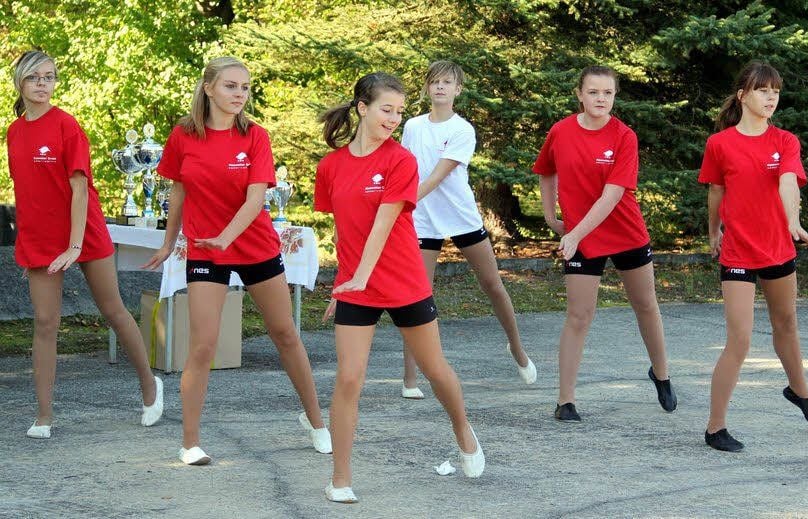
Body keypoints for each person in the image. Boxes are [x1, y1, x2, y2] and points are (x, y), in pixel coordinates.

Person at [142, 56, 330, 465]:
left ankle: (316, 421)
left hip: (254, 246)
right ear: (208, 88)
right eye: (231, 86)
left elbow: (256, 198)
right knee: (202, 344)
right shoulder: (183, 136)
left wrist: (225, 237)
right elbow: (178, 193)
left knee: (284, 334)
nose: (239, 94)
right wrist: (167, 242)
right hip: (206, 251)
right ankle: (190, 442)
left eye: (244, 88)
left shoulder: (255, 136)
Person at [316, 71, 485, 503]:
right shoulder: (331, 166)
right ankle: (340, 479)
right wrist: (345, 282)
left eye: (398, 112)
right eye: (385, 110)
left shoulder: (400, 161)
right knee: (349, 379)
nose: (393, 119)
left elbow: (382, 225)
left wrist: (359, 275)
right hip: (356, 286)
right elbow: (346, 232)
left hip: (403, 280)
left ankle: (463, 430)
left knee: (435, 370)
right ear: (361, 108)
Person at [7, 50, 162, 439]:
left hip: (84, 232)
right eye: (36, 78)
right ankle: (43, 416)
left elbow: (79, 189)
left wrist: (75, 246)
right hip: (42, 237)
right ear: (20, 83)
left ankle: (149, 387)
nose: (43, 84)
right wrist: (28, 242)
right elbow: (26, 192)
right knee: (45, 323)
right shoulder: (14, 131)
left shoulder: (66, 126)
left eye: (50, 77)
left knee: (113, 311)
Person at [532, 65, 677, 422]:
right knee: (578, 316)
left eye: (607, 93)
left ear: (614, 97)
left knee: (645, 305)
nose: (600, 99)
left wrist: (574, 233)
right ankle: (565, 401)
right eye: (593, 92)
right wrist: (551, 217)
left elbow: (612, 197)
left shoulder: (624, 136)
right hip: (579, 237)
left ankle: (661, 374)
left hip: (625, 232)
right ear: (579, 94)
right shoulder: (561, 131)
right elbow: (546, 170)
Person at [698, 61, 808, 452]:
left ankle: (799, 391)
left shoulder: (785, 141)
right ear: (742, 95)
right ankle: (714, 428)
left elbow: (788, 182)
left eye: (775, 91)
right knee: (739, 339)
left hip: (778, 247)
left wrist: (793, 221)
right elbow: (716, 192)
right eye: (762, 90)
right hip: (738, 251)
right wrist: (713, 231)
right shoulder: (719, 144)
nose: (771, 97)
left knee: (786, 325)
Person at [398, 60, 536, 399]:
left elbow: (437, 175)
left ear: (458, 90)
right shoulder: (413, 126)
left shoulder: (462, 130)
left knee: (492, 284)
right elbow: (403, 167)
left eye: (447, 82)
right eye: (435, 82)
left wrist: (401, 201)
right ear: (427, 88)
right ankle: (410, 379)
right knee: (417, 296)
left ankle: (516, 348)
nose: (440, 87)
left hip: (459, 216)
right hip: (422, 219)